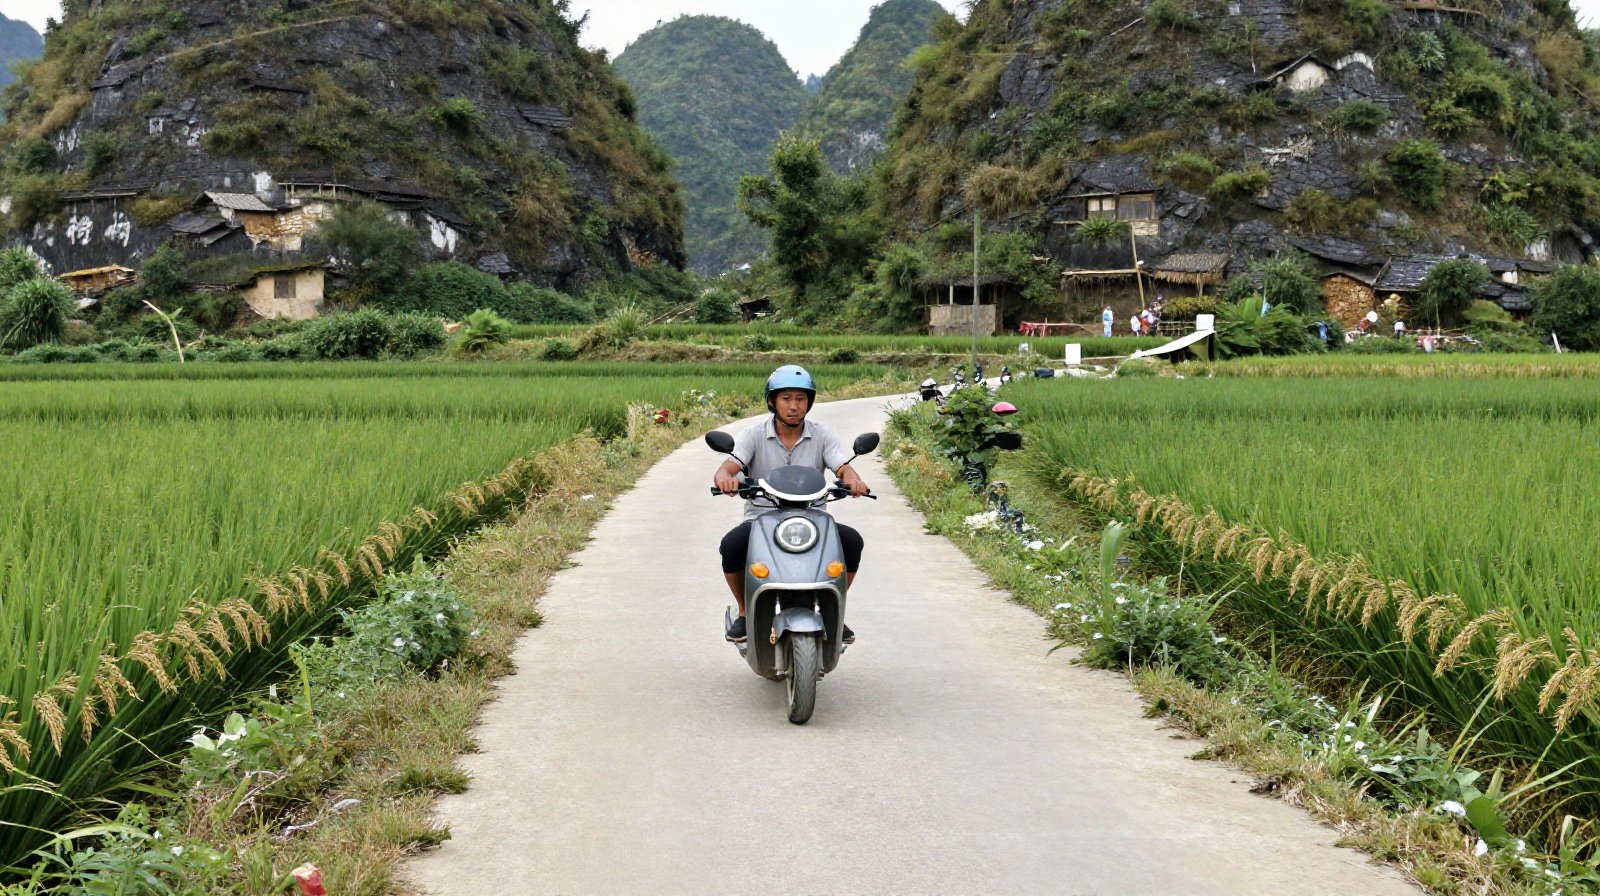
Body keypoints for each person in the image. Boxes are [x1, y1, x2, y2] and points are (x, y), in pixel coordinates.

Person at [714, 365, 869, 644]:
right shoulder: (753, 435)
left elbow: (843, 467)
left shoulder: (822, 435)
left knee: (851, 542)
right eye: (786, 399)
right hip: (762, 516)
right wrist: (727, 479)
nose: (794, 406)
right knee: (732, 545)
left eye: (800, 399)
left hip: (813, 516)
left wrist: (854, 480)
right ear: (772, 401)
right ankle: (744, 610)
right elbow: (727, 468)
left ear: (809, 402)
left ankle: (834, 609)